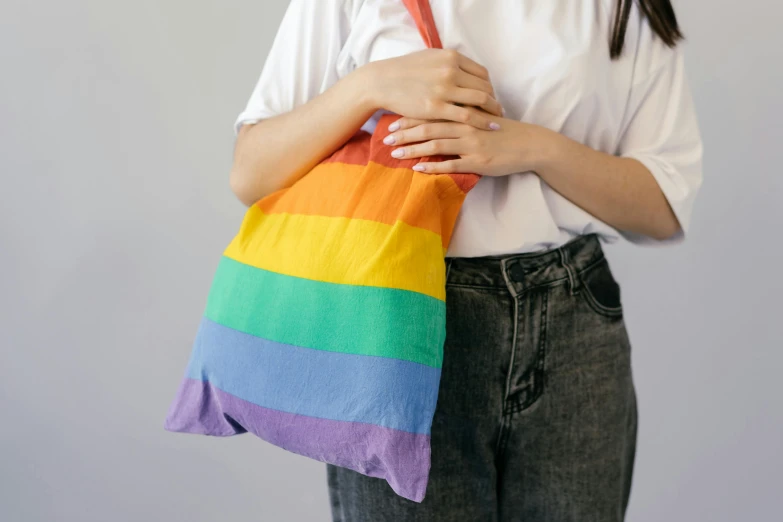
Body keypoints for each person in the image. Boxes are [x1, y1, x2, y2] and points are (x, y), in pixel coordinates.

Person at [229, 0, 703, 520]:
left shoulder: (619, 7)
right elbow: (252, 172)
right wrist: (368, 86)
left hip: (575, 330)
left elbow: (662, 208)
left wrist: (533, 148)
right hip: (402, 321)